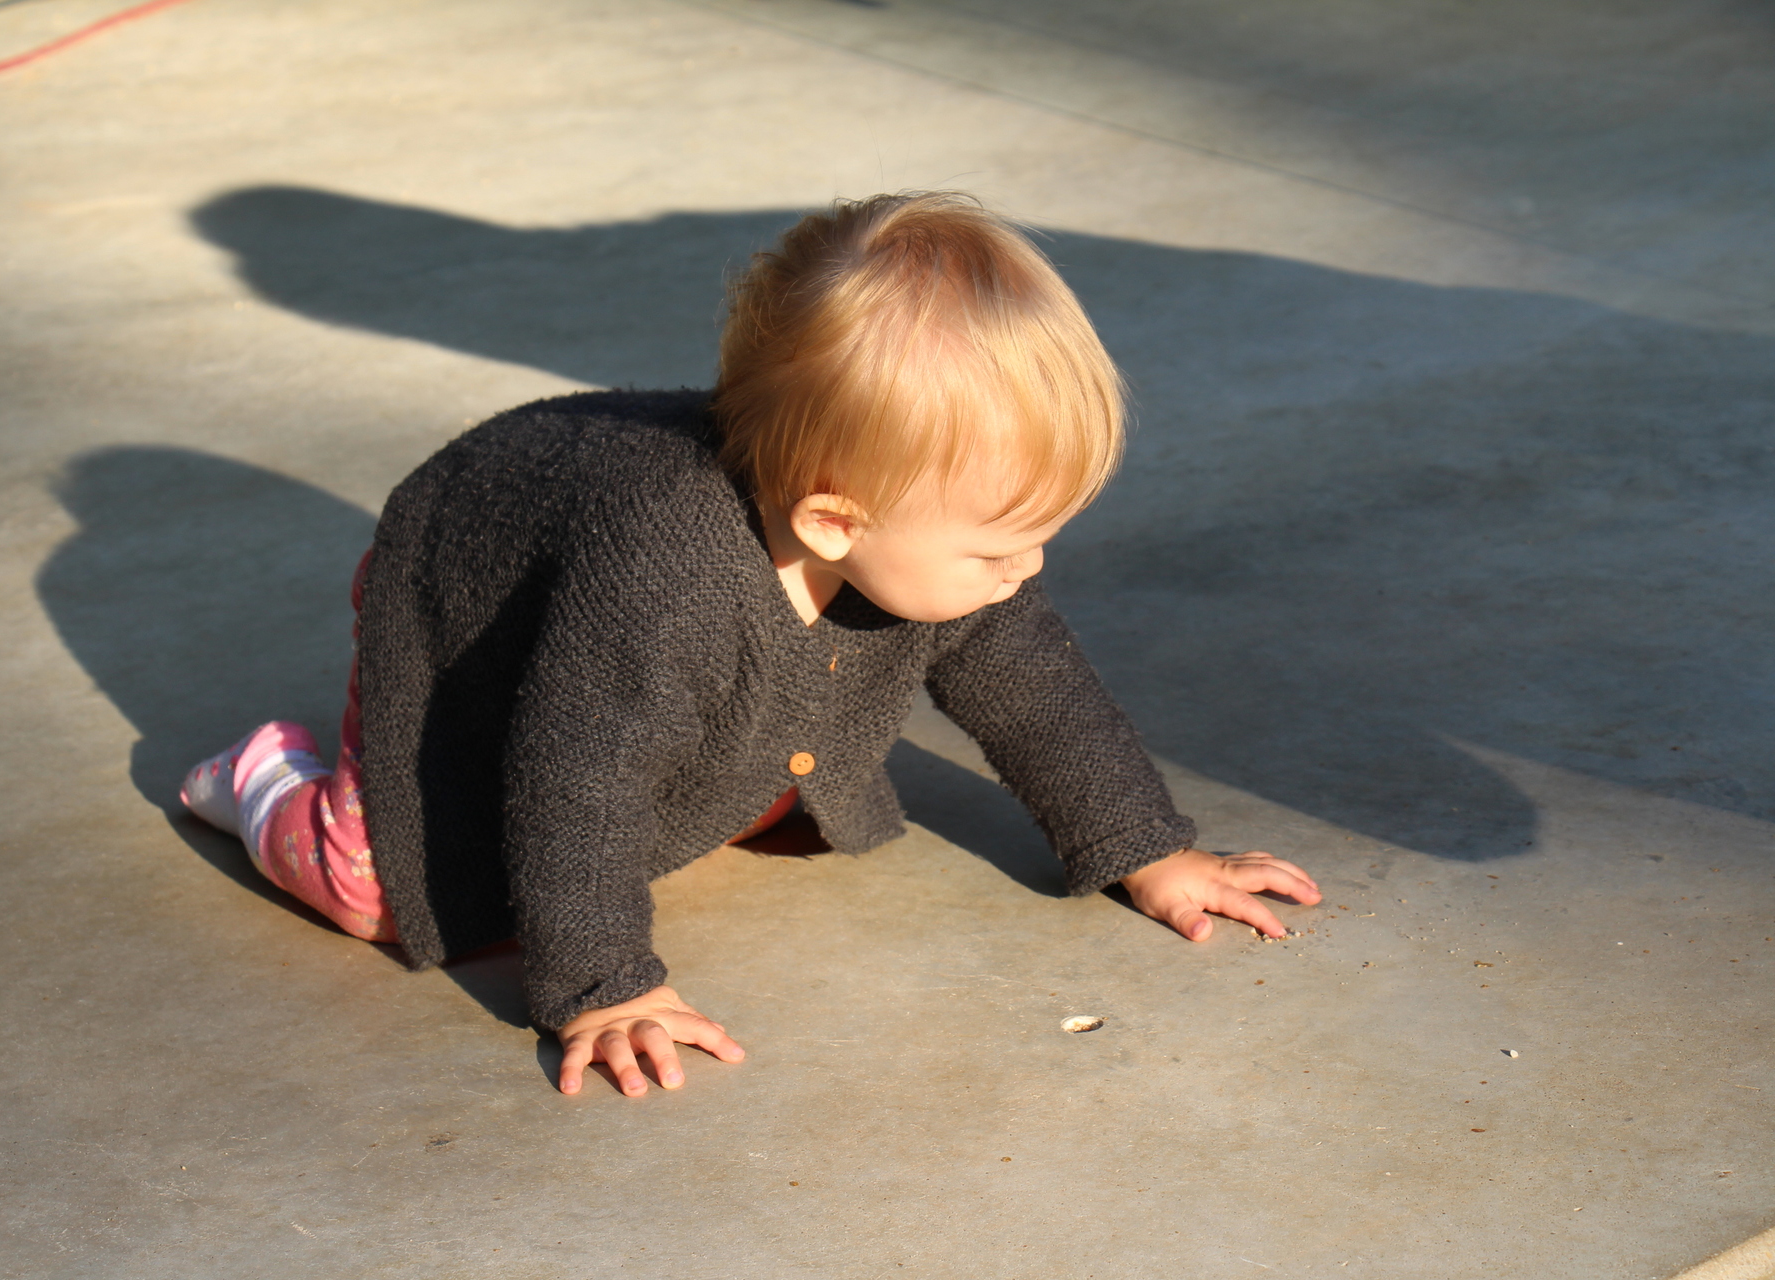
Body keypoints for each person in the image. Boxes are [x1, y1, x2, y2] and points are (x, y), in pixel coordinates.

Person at [181, 192, 1323, 1097]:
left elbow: (1034, 688)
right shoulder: (664, 581)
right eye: (998, 546)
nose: (1026, 570)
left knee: (742, 766)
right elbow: (575, 774)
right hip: (466, 586)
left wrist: (1146, 848)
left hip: (633, 624)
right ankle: (265, 777)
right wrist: (602, 985)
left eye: (1042, 535)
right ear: (833, 520)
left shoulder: (912, 530)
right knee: (387, 891)